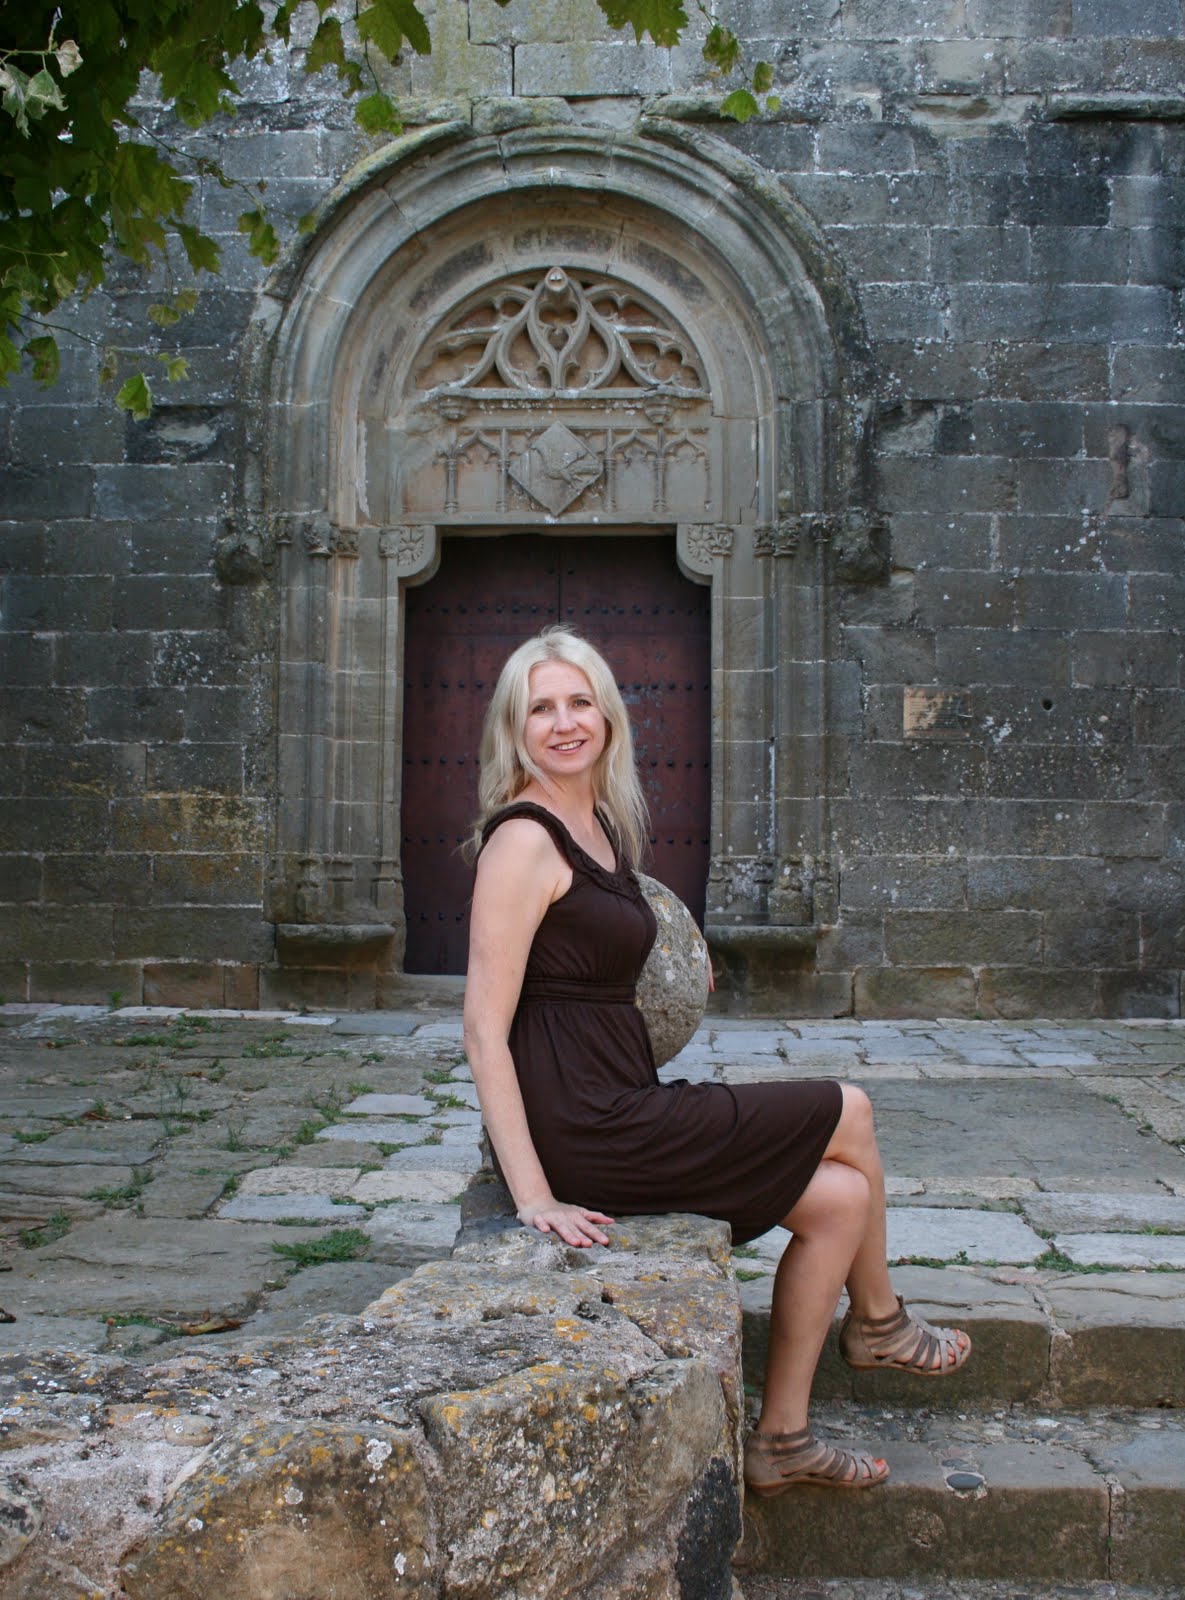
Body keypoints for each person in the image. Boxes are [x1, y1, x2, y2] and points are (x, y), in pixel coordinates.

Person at [462, 625, 970, 1493]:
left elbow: (597, 951)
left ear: (608, 716)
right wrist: (534, 1194)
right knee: (848, 1107)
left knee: (841, 1201)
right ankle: (879, 1324)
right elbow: (482, 1027)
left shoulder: (598, 826)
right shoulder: (523, 839)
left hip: (623, 1098)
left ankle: (781, 1441)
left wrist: (665, 959)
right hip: (588, 1125)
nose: (564, 722)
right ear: (513, 729)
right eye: (540, 708)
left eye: (580, 701)